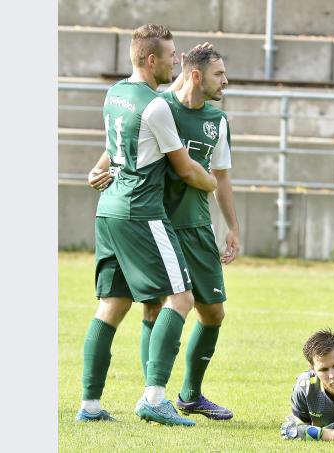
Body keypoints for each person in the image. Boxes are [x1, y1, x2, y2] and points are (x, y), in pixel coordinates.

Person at [87, 45, 240, 421]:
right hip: (156, 224)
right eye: (219, 74)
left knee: (213, 313)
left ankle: (190, 395)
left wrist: (232, 227)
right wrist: (99, 168)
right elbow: (121, 145)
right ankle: (154, 395)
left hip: (196, 227)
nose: (225, 81)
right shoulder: (159, 106)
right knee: (155, 306)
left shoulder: (217, 120)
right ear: (196, 75)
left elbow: (220, 178)